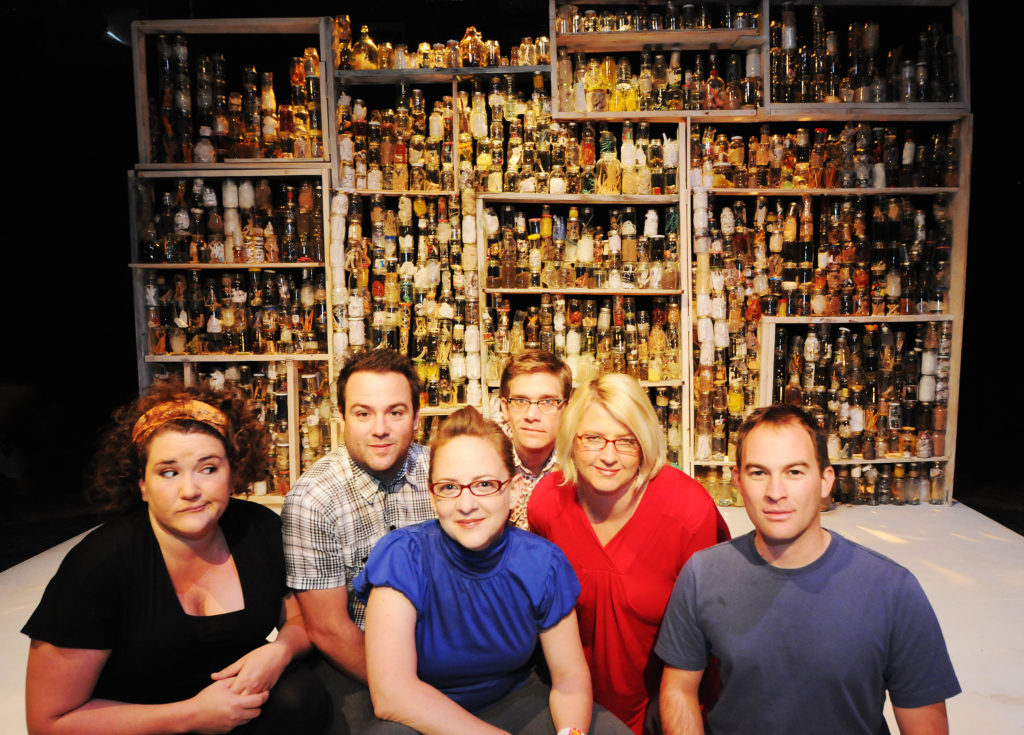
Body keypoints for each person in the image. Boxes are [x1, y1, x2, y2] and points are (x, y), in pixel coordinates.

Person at [23, 382, 328, 735]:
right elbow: (48, 723)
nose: (190, 490)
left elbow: (305, 620)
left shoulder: (257, 530)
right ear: (141, 483)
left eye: (208, 468)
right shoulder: (99, 565)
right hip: (137, 724)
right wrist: (192, 715)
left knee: (301, 695)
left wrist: (280, 651)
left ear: (233, 473)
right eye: (169, 472)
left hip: (231, 713)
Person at [656, 404, 961, 735]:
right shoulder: (703, 575)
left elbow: (923, 722)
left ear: (825, 480)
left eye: (795, 472)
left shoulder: (892, 590)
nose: (775, 493)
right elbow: (678, 689)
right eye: (759, 472)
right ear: (738, 481)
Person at [354, 406, 632, 735]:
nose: (466, 504)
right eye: (448, 487)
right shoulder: (402, 557)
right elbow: (392, 695)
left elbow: (570, 680)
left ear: (513, 490)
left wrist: (569, 733)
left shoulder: (542, 563)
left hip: (516, 704)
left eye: (484, 484)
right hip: (426, 713)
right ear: (433, 495)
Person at [529, 373, 728, 735]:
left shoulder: (687, 510)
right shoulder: (547, 503)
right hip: (572, 705)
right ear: (571, 441)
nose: (608, 456)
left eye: (626, 441)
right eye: (592, 438)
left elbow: (708, 637)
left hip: (663, 705)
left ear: (646, 442)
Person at [282, 349, 435, 730]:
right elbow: (329, 630)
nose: (379, 428)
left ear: (417, 417)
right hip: (360, 663)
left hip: (446, 652)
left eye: (395, 412)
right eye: (363, 413)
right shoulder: (313, 499)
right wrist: (410, 690)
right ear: (341, 417)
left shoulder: (441, 472)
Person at [497, 349, 573, 530]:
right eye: (521, 401)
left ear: (566, 409)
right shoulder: (485, 457)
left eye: (547, 402)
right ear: (505, 408)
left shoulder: (580, 462)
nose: (532, 415)